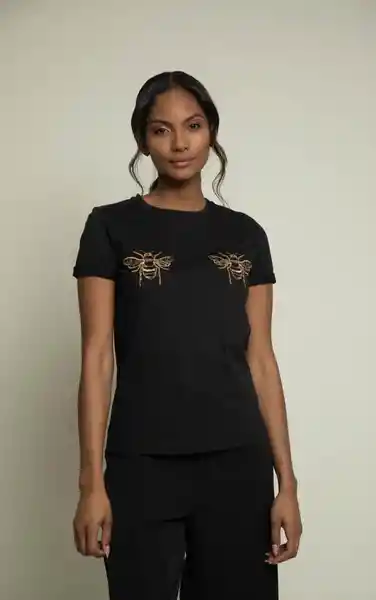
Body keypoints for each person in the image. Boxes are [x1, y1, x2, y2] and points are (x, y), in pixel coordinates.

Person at [72, 70, 302, 600]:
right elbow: (97, 357)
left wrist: (287, 484)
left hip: (239, 464)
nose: (179, 143)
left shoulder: (246, 234)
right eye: (162, 130)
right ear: (142, 140)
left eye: (193, 126)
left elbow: (261, 359)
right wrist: (91, 483)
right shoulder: (109, 226)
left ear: (211, 132)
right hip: (141, 464)